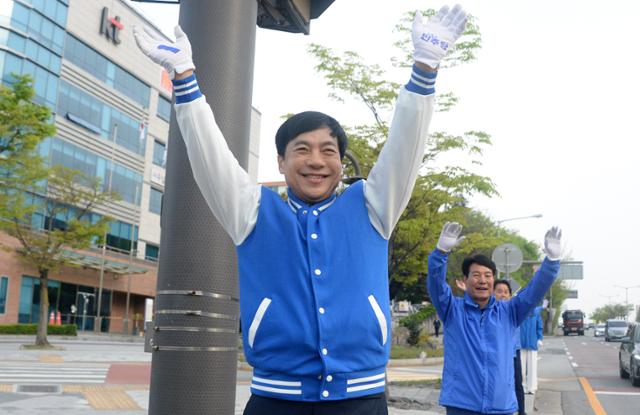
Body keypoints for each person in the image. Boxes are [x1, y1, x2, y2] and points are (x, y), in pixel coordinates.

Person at [134, 6, 468, 414]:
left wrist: (424, 71)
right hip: (275, 401)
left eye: (329, 151)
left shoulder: (371, 205)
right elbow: (212, 159)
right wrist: (185, 80)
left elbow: (404, 151)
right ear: (281, 162)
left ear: (342, 165)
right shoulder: (254, 211)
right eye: (302, 150)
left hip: (360, 401)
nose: (316, 160)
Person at [427, 222, 561, 415]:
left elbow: (534, 291)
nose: (482, 280)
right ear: (465, 280)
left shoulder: (510, 311)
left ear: (493, 280)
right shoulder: (452, 310)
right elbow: (435, 284)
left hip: (501, 406)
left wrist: (552, 261)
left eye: (488, 275)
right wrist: (440, 253)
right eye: (476, 275)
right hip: (462, 405)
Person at [494, 279, 526, 415]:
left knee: (517, 384)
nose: (503, 295)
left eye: (506, 292)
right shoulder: (488, 311)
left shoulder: (515, 310)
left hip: (514, 352)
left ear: (510, 296)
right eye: (499, 291)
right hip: (496, 353)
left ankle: (522, 412)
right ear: (492, 293)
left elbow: (528, 296)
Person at [520, 306, 544, 394]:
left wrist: (539, 338)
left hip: (532, 342)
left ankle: (532, 387)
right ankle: (522, 386)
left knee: (532, 367)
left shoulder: (536, 312)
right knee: (521, 368)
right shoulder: (520, 311)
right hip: (520, 343)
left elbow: (539, 326)